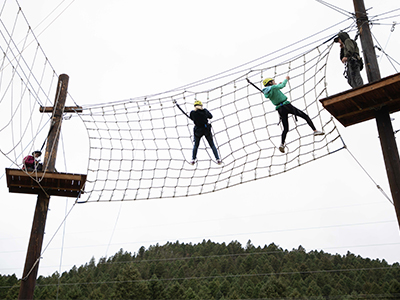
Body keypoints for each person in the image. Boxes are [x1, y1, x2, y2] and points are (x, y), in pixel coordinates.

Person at [261, 76, 324, 153]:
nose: (275, 82)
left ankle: (282, 144)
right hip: (287, 106)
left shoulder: (267, 92)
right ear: (270, 83)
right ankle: (315, 130)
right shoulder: (274, 87)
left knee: (286, 128)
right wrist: (286, 79)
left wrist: (277, 85)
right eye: (273, 81)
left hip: (280, 109)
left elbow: (275, 90)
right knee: (305, 116)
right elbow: (282, 86)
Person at [175, 100, 221, 165]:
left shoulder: (193, 113)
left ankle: (193, 159)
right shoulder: (205, 111)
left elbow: (191, 118)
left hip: (198, 130)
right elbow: (211, 116)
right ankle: (218, 159)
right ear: (201, 106)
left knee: (196, 145)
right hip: (206, 129)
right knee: (212, 145)